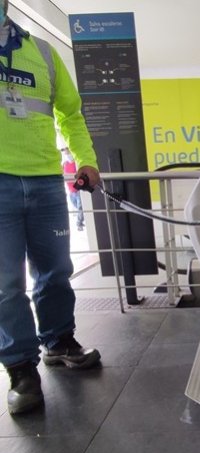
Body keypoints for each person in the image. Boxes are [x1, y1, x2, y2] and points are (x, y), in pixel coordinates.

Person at [0, 1, 101, 415]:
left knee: (56, 270)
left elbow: (71, 114)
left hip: (45, 181)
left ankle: (59, 341)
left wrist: (86, 160)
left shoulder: (41, 52)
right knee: (5, 284)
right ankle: (21, 369)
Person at [61, 147, 85, 231]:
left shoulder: (76, 163)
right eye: (65, 152)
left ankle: (79, 223)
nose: (67, 153)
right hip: (71, 191)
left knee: (80, 208)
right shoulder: (65, 164)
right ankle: (80, 221)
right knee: (77, 207)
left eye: (68, 152)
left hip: (78, 190)